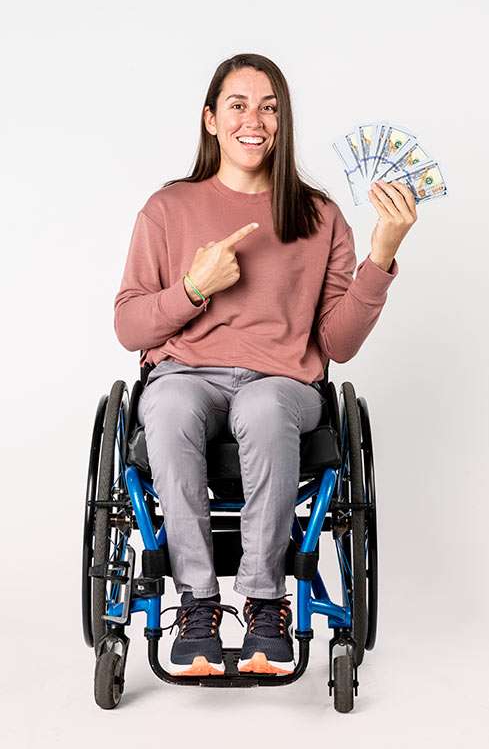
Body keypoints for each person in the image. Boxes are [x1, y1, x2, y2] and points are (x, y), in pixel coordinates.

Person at [113, 53, 417, 677]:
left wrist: (381, 254)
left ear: (284, 122)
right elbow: (128, 326)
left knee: (262, 403)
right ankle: (197, 606)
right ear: (211, 120)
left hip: (284, 385)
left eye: (270, 107)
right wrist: (194, 288)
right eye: (239, 105)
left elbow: (337, 341)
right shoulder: (168, 210)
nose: (256, 120)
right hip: (184, 376)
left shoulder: (319, 216)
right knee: (166, 404)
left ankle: (264, 600)